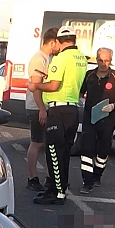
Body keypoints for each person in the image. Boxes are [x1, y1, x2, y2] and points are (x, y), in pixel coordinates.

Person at [28, 26, 88, 205]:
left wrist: (36, 86)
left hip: (58, 110)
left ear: (60, 42)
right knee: (65, 153)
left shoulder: (61, 58)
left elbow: (54, 85)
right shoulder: (82, 58)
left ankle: (55, 192)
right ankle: (59, 190)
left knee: (53, 151)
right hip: (72, 110)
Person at [78, 47, 115, 194]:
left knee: (103, 150)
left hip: (108, 119)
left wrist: (113, 105)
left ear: (111, 61)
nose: (103, 63)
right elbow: (81, 92)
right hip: (89, 119)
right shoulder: (89, 75)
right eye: (100, 60)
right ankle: (87, 182)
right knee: (87, 149)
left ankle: (97, 175)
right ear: (96, 59)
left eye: (106, 60)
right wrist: (80, 100)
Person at [25, 27, 60, 191]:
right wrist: (41, 109)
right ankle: (32, 177)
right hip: (37, 106)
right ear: (52, 42)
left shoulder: (49, 58)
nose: (59, 47)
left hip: (45, 106)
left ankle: (48, 177)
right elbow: (36, 86)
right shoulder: (39, 59)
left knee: (46, 143)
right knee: (37, 143)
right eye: (58, 43)